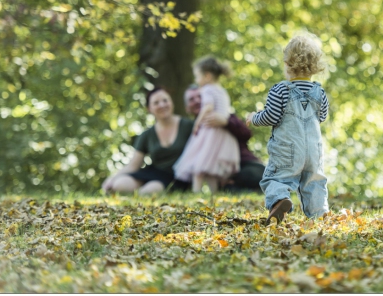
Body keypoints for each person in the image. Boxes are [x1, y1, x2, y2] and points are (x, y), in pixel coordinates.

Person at [246, 33, 330, 225]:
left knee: (275, 178)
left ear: (288, 64)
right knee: (314, 181)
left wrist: (254, 117)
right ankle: (320, 214)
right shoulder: (319, 91)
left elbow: (271, 116)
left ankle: (279, 199)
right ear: (315, 66)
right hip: (313, 150)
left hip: (288, 148)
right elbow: (322, 117)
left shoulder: (280, 90)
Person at [101, 87, 193, 195]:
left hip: (177, 177)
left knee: (148, 191)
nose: (162, 105)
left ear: (171, 102)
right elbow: (133, 165)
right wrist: (112, 178)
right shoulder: (147, 135)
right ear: (149, 109)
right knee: (119, 184)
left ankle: (138, 200)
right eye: (156, 103)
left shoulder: (188, 126)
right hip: (152, 173)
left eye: (165, 100)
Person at [173, 56, 240, 194]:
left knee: (199, 164)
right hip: (222, 133)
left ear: (207, 76)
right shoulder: (221, 90)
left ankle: (196, 192)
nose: (196, 80)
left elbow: (208, 107)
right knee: (211, 168)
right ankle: (214, 193)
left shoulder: (207, 89)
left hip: (209, 131)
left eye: (197, 76)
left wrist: (197, 123)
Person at [184, 85, 266, 192]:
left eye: (200, 96)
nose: (197, 101)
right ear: (187, 108)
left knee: (253, 176)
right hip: (221, 176)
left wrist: (226, 122)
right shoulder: (193, 130)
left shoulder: (224, 115)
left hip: (244, 165)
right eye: (191, 99)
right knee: (227, 189)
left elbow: (247, 133)